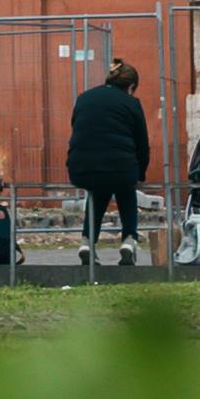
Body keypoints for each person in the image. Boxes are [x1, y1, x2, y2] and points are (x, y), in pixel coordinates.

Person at [65, 44, 151, 276]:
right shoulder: (132, 103)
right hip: (120, 166)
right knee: (126, 190)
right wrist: (140, 173)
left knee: (98, 190)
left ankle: (86, 241)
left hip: (81, 165)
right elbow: (142, 143)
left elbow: (76, 129)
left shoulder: (84, 98)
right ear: (131, 87)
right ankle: (129, 240)